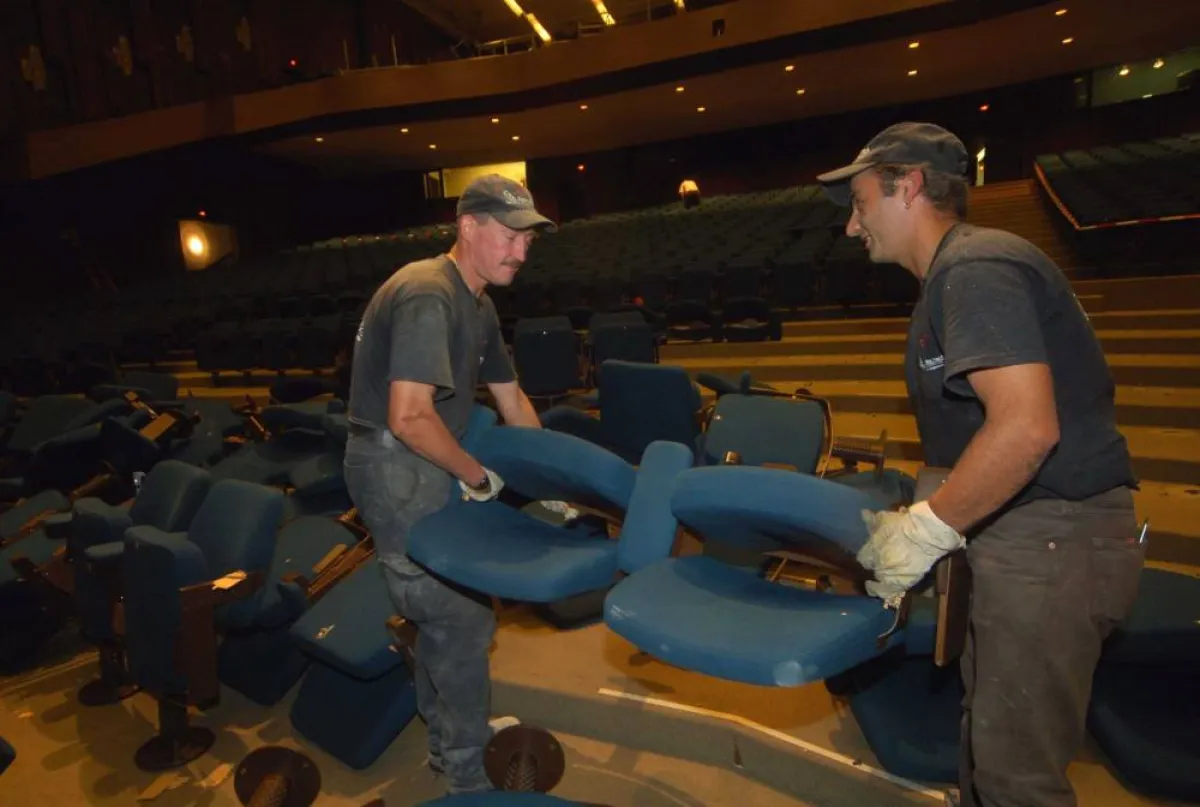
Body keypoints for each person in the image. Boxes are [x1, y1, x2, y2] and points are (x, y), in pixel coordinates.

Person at [816, 123, 1144, 807]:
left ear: (907, 186)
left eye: (861, 202)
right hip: (1029, 539)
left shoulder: (974, 268)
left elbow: (1026, 428)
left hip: (1052, 542)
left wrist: (927, 529)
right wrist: (920, 519)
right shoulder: (959, 272)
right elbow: (975, 436)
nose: (853, 226)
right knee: (985, 748)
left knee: (1015, 780)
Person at [342, 174, 552, 794]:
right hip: (396, 467)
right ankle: (465, 771)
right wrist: (479, 476)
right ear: (468, 226)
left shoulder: (479, 304)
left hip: (424, 462)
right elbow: (408, 416)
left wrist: (555, 479)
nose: (520, 251)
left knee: (447, 616)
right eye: (510, 235)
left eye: (528, 241)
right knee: (461, 618)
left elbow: (513, 401)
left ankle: (447, 732)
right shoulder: (428, 293)